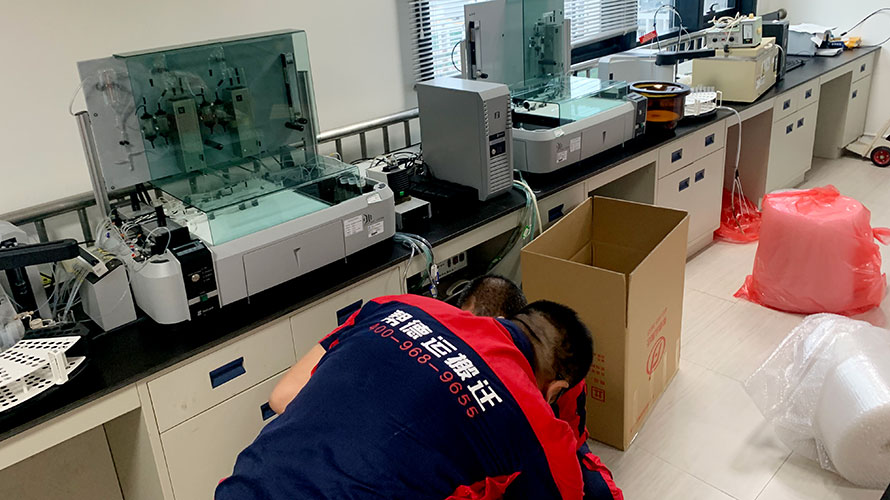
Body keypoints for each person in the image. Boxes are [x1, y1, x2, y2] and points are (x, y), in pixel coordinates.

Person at [217, 292, 593, 499]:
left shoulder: (399, 305)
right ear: (556, 390)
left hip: (247, 483)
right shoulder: (538, 425)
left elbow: (286, 394)